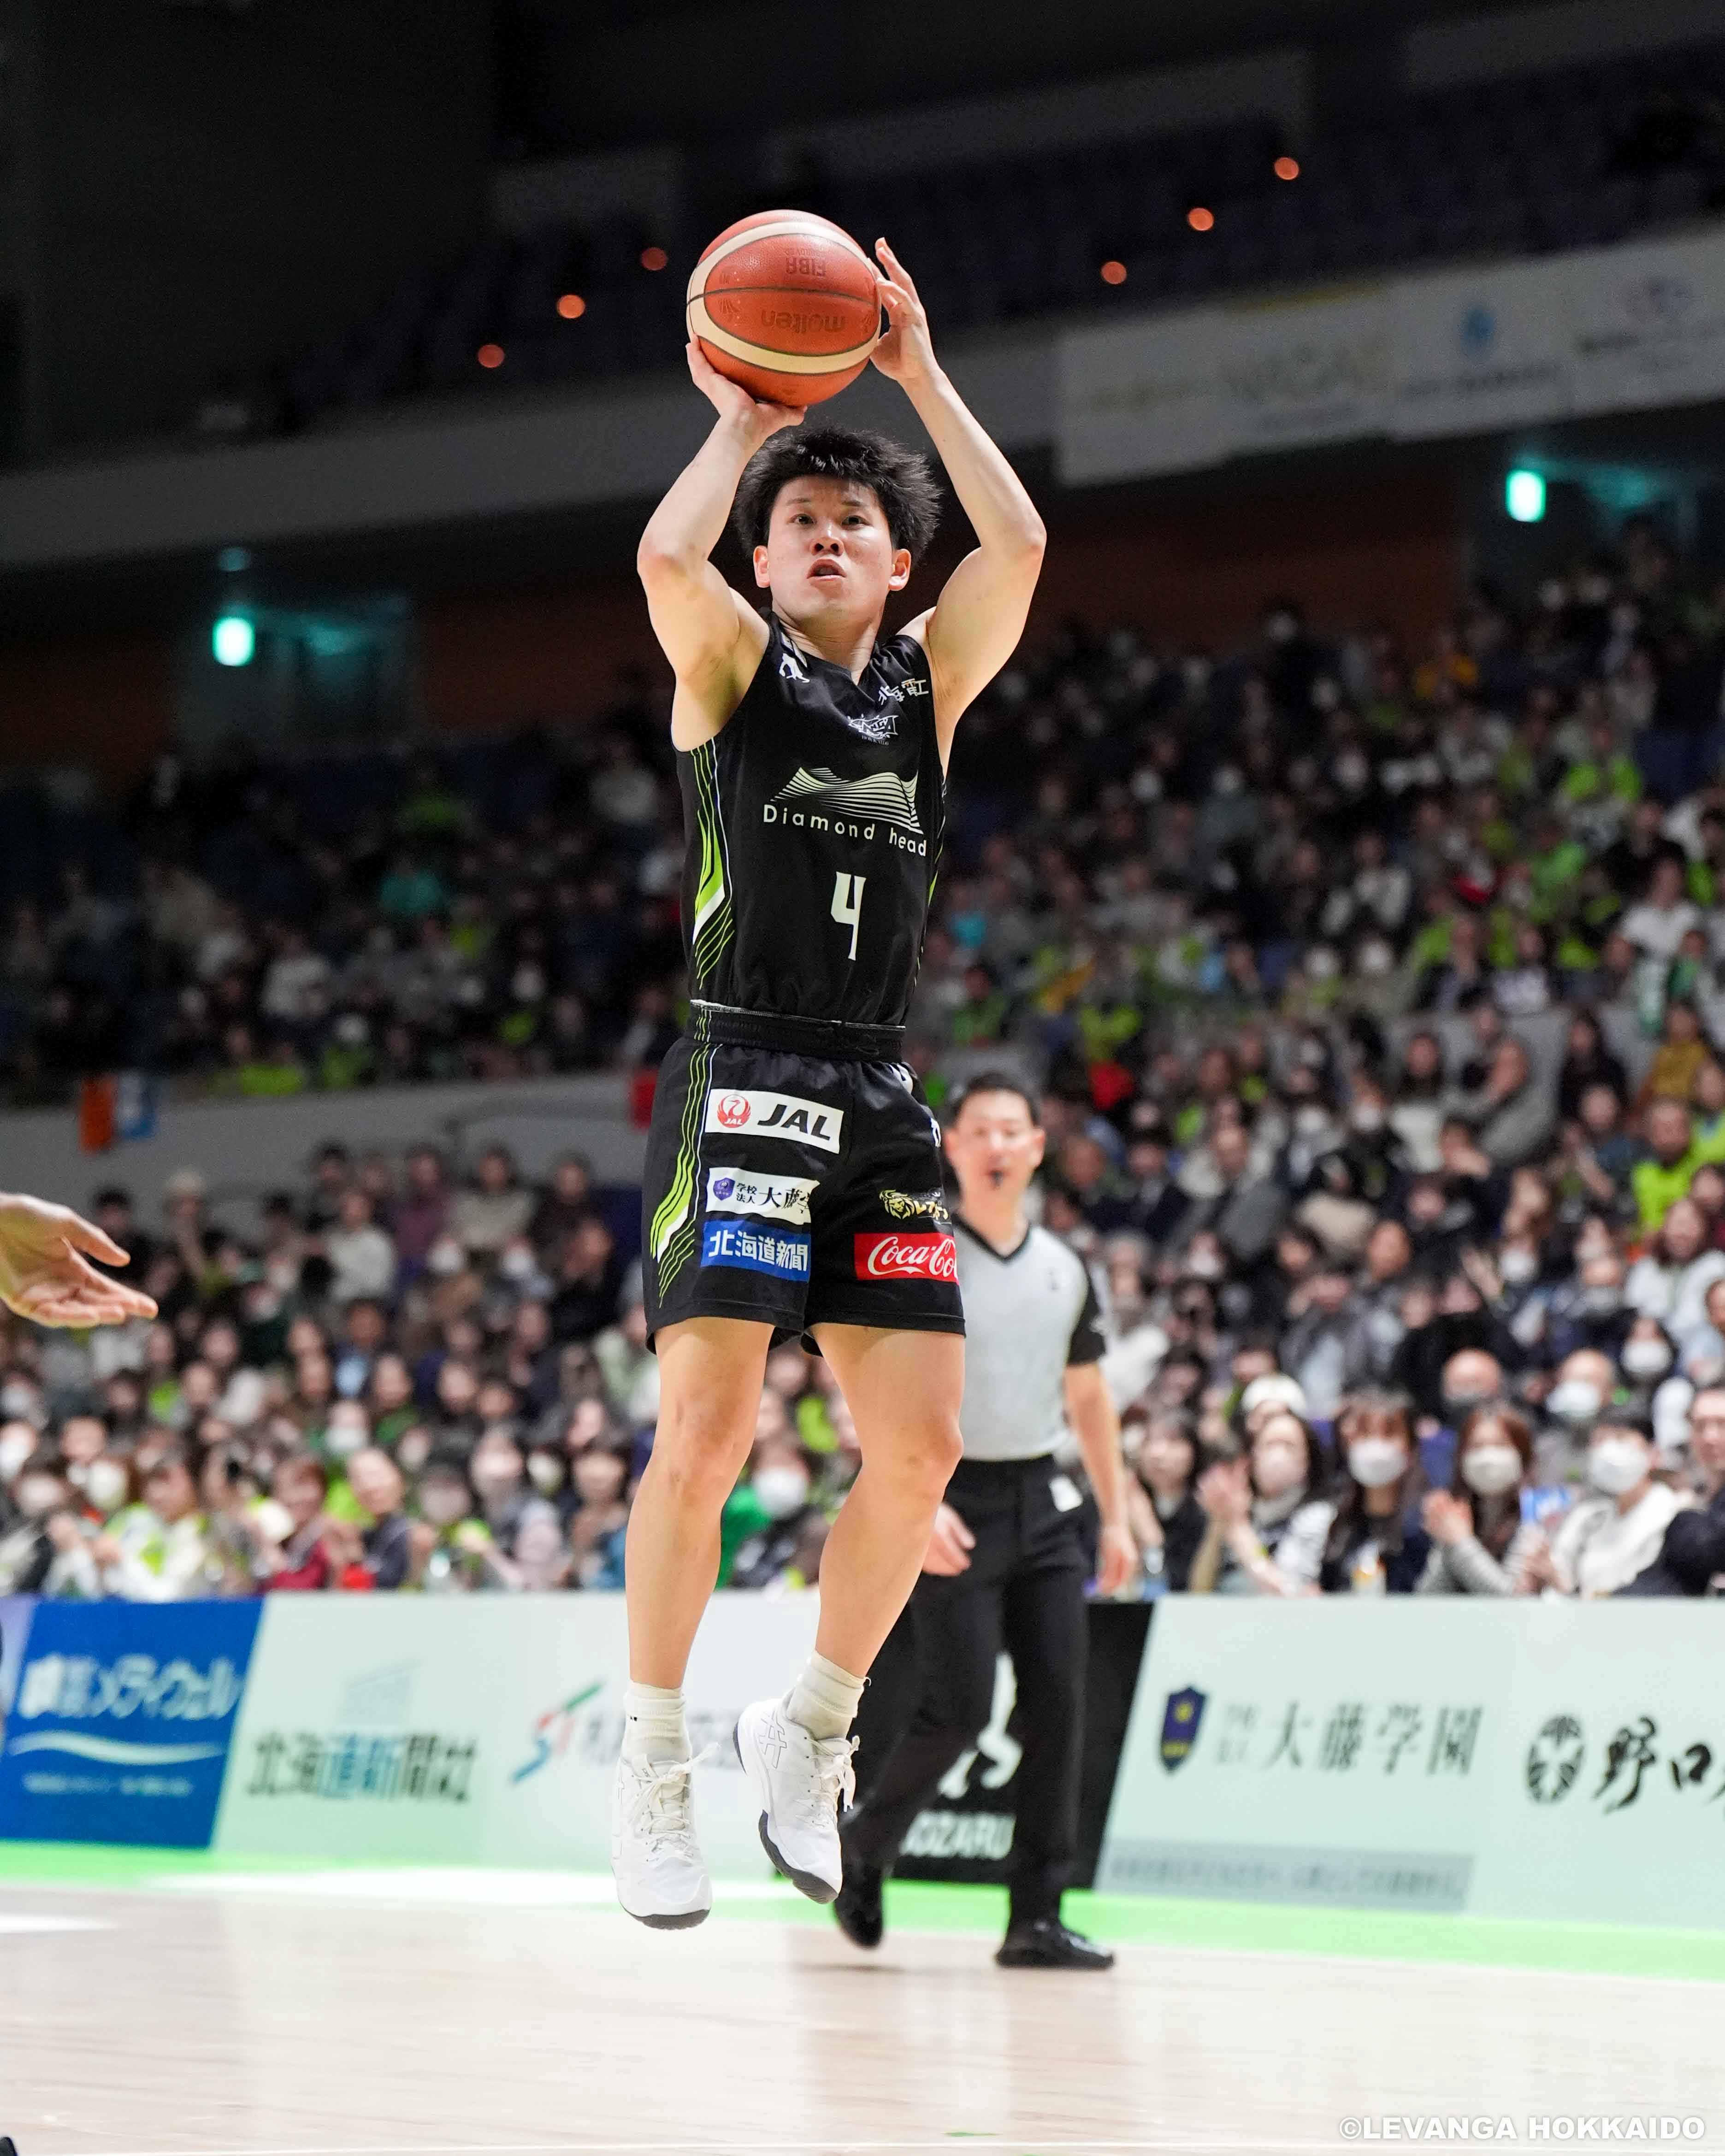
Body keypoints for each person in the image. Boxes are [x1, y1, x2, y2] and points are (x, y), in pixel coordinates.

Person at [616, 237, 1046, 1928]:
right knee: (707, 1434)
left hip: (873, 1091)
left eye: (850, 520)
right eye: (796, 521)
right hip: (740, 1065)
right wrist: (743, 419)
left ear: (891, 557)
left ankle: (804, 1726)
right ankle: (651, 1762)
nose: (820, 534)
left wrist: (917, 372)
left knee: (921, 1447)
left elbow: (1020, 544)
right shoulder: (730, 668)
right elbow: (664, 555)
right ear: (766, 557)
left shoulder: (926, 685)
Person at [833, 1076, 1132, 1969]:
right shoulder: (923, 1251)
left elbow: (1088, 1395)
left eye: (1013, 1130)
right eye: (980, 1131)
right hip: (949, 1495)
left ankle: (1035, 1915)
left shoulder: (1066, 1266)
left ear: (1038, 1146)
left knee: (1058, 1708)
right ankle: (862, 1845)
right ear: (951, 1146)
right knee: (957, 1710)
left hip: (1043, 1500)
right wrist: (914, 1502)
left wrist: (1117, 1519)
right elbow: (870, 1384)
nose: (997, 1145)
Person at [1536, 1409, 1681, 1597]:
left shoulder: (1671, 1514)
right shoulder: (1589, 1517)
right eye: (1602, 1440)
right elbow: (1562, 1574)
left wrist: (1571, 1592)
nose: (1609, 1449)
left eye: (1621, 1438)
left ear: (1653, 1454)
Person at [1417, 1403, 1544, 1594]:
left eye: (1500, 1445)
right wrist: (1447, 1541)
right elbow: (1428, 1598)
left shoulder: (1536, 1511)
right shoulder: (1459, 1513)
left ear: (1523, 1456)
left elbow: (1514, 1599)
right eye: (1477, 1447)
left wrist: (1461, 1541)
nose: (1487, 1457)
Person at [0, 1191, 158, 1328]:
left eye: (115, 1213)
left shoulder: (145, 1246)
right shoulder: (80, 1249)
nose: (112, 1221)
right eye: (107, 1214)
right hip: (87, 1316)